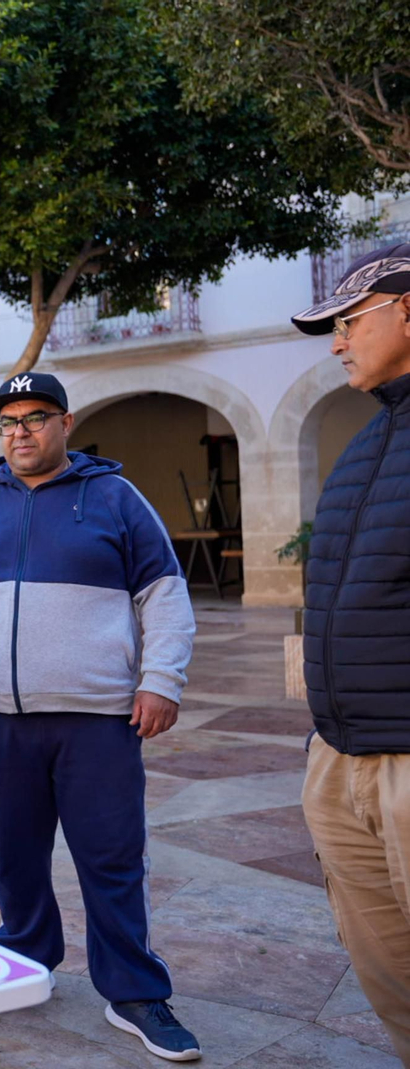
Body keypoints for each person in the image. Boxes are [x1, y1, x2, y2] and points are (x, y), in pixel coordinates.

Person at [0, 371, 200, 1062]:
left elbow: (164, 596)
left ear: (66, 423)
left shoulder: (115, 499)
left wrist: (161, 680)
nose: (21, 431)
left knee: (112, 857)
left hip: (97, 722)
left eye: (36, 417)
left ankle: (134, 990)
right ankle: (27, 958)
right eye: (9, 421)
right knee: (14, 855)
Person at [289, 243, 410, 1064]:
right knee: (389, 974)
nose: (336, 341)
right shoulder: (366, 445)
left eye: (349, 321)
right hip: (344, 757)